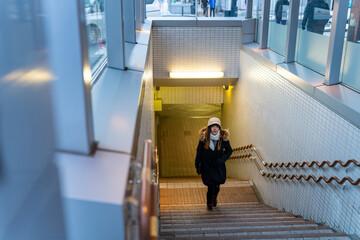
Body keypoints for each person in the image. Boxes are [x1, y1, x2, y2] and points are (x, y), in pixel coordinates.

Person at [195, 117, 232, 210]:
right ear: (209, 128)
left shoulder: (223, 138)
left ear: (219, 128)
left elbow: (229, 151)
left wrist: (221, 160)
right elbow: (199, 152)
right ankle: (209, 202)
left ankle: (214, 197)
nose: (214, 128)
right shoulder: (203, 138)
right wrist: (197, 165)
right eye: (212, 126)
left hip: (218, 166)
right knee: (210, 186)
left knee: (217, 185)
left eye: (217, 126)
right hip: (207, 166)